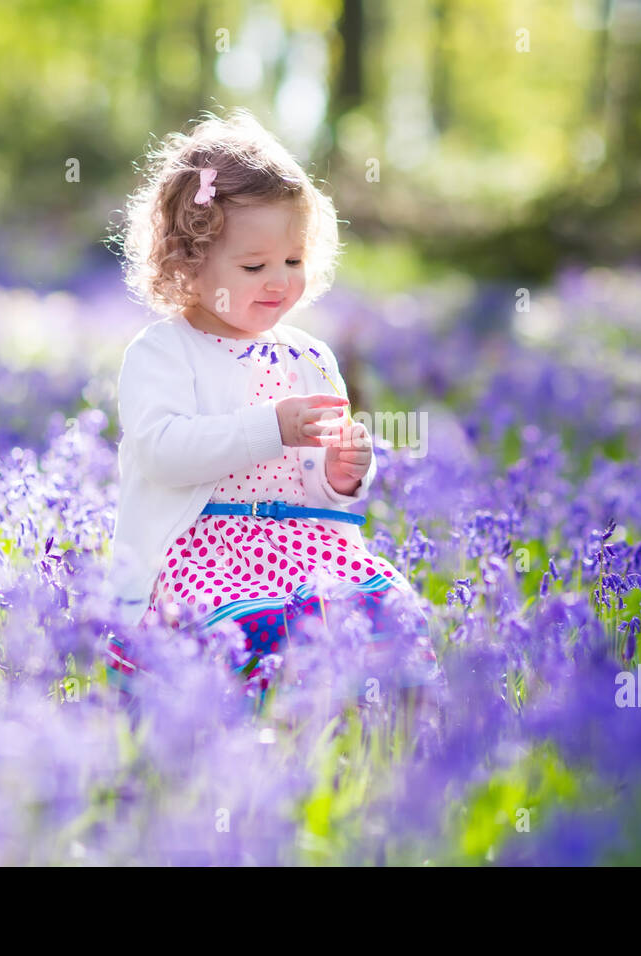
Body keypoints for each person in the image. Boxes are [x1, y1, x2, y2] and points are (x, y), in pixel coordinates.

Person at [102, 108, 443, 750]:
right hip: (202, 549)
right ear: (187, 267)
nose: (280, 281)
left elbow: (316, 480)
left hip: (307, 545)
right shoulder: (165, 351)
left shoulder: (310, 357)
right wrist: (271, 426)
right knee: (244, 630)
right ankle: (240, 752)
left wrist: (342, 475)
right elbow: (162, 453)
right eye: (255, 267)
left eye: (293, 259)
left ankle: (374, 745)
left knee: (384, 611)